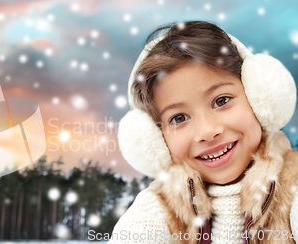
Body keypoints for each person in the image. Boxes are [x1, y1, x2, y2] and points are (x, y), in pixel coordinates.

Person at [111, 21, 298, 244]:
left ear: (257, 97)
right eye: (179, 118)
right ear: (157, 139)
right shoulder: (158, 208)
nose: (208, 132)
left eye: (221, 101)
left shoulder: (292, 184)